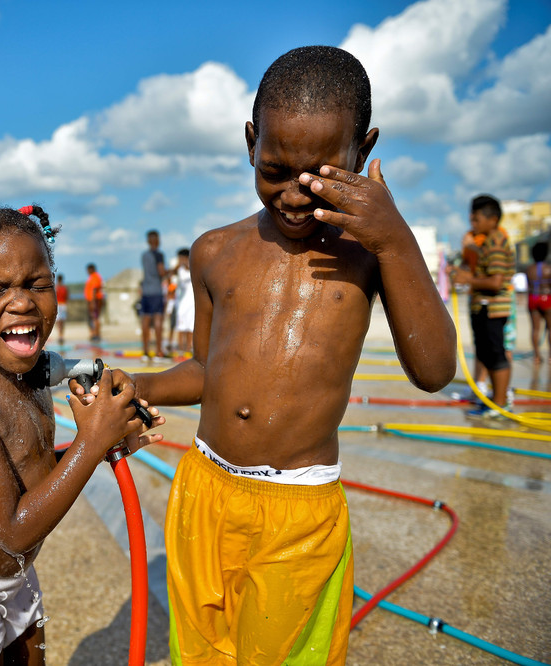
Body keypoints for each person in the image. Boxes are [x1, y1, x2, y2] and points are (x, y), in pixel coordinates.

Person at [99, 46, 456, 664]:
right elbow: (207, 372)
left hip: (299, 508)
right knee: (204, 652)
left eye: (318, 173)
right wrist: (139, 386)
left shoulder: (371, 253)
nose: (293, 193)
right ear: (249, 144)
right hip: (204, 492)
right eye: (273, 168)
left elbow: (434, 371)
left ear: (362, 151)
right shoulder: (215, 250)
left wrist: (395, 239)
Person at [0, 202, 162, 665]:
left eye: (37, 284)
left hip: (17, 577)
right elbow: (13, 528)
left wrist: (101, 441)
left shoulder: (33, 368)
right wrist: (90, 443)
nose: (22, 302)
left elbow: (28, 466)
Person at [451, 194, 516, 418]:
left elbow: (496, 282)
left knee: (496, 354)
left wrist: (468, 280)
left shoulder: (497, 241)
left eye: (477, 219)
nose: (473, 223)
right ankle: (494, 402)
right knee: (487, 354)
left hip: (494, 308)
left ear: (493, 219)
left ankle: (499, 404)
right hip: (483, 307)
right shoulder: (487, 242)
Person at [140, 230, 167, 360]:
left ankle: (145, 351)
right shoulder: (159, 255)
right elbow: (161, 272)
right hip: (156, 291)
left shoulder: (144, 255)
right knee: (158, 321)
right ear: (157, 240)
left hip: (146, 291)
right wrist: (174, 270)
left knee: (145, 321)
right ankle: (158, 351)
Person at [527, 241, 551, 363]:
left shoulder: (529, 269)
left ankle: (536, 356)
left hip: (533, 298)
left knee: (535, 329)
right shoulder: (548, 268)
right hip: (546, 298)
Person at [172, 248, 193, 354]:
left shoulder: (193, 268)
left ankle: (188, 348)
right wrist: (179, 264)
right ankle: (181, 348)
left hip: (192, 304)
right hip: (181, 303)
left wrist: (187, 263)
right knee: (181, 326)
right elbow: (173, 272)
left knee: (190, 327)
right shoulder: (179, 270)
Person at [84, 262, 104, 343]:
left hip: (95, 300)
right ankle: (94, 333)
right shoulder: (92, 277)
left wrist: (93, 302)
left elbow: (94, 290)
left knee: (95, 317)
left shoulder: (95, 277)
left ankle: (97, 334)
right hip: (92, 300)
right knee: (93, 317)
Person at [55, 273, 69, 347]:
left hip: (61, 304)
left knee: (60, 321)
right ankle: (60, 335)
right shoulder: (63, 288)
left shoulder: (58, 288)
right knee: (60, 321)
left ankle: (61, 335)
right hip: (62, 304)